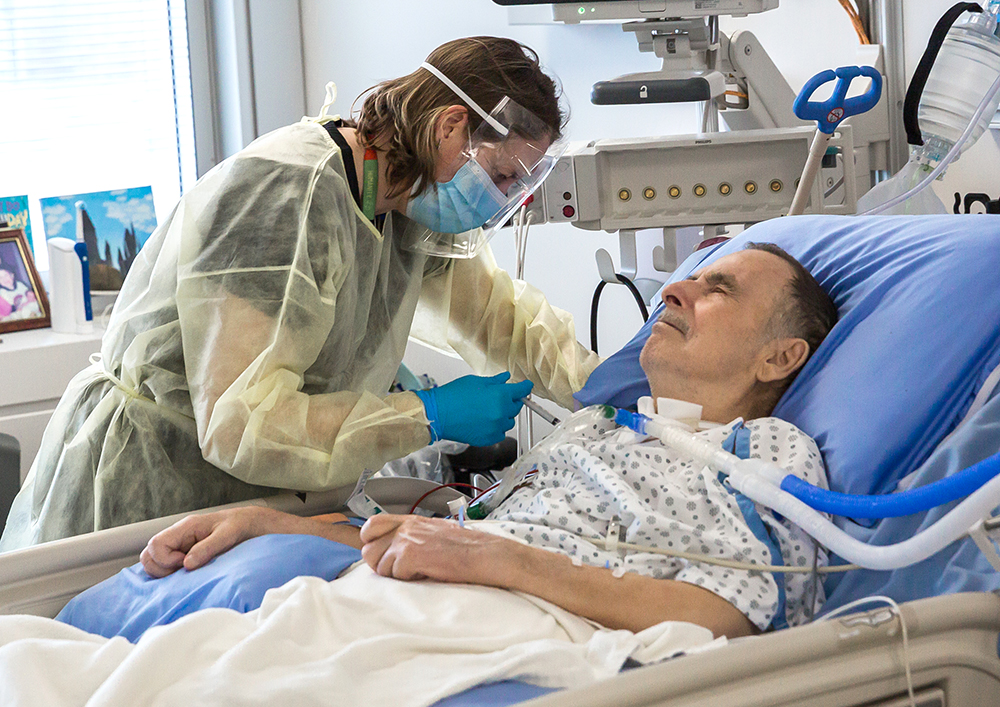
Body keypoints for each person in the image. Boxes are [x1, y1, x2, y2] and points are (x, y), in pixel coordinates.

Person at [0, 37, 599, 551]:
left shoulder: (409, 200)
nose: (502, 200)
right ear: (449, 127)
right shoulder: (285, 195)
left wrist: (601, 383)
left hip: (254, 507)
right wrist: (429, 415)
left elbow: (501, 319)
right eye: (499, 177)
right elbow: (243, 422)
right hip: (149, 486)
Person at [100, 243, 839, 643]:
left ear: (781, 358)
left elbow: (734, 613)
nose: (675, 290)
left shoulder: (769, 452)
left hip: (522, 624)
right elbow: (452, 534)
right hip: (418, 595)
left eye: (720, 289)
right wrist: (278, 524)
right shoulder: (598, 429)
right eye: (688, 278)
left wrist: (510, 562)